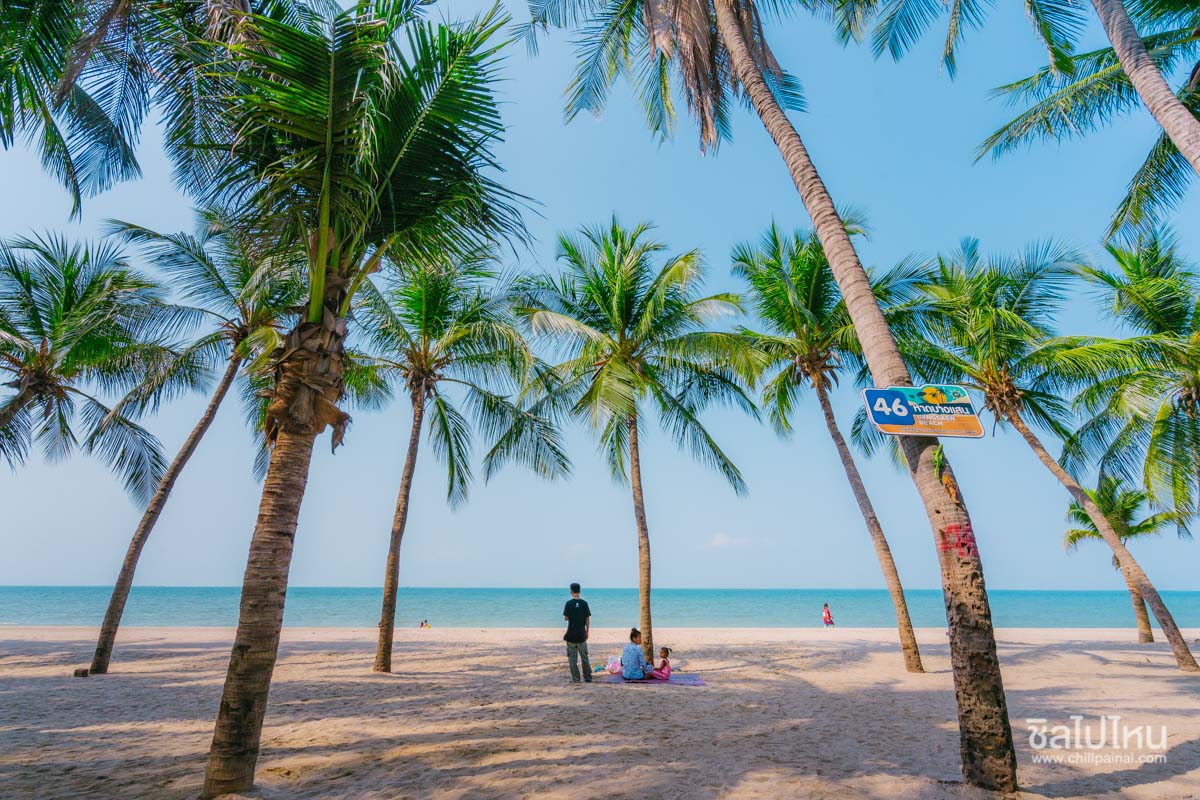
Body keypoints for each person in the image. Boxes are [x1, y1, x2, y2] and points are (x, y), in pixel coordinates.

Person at [563, 582, 592, 683]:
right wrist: (587, 631)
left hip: (570, 635)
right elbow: (587, 619)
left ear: (571, 592)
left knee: (572, 658)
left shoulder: (568, 603)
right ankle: (588, 678)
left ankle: (576, 679)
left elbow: (566, 618)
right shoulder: (584, 603)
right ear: (579, 591)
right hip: (581, 635)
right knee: (584, 657)